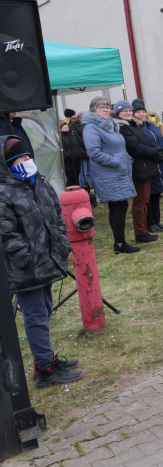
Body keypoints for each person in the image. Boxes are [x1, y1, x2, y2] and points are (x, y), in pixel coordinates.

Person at [0, 136, 83, 387]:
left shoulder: (38, 183)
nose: (26, 162)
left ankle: (44, 360)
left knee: (45, 309)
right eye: (19, 159)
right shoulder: (4, 192)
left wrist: (61, 243)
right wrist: (25, 255)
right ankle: (46, 370)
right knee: (35, 315)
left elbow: (56, 216)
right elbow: (6, 232)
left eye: (27, 157)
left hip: (46, 260)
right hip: (25, 267)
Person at [81, 96, 139, 254]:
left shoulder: (110, 126)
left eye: (107, 107)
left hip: (118, 172)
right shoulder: (91, 127)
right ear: (94, 110)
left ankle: (119, 243)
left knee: (118, 206)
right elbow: (93, 152)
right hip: (108, 173)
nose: (106, 110)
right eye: (102, 108)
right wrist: (115, 161)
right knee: (119, 206)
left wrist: (126, 160)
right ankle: (120, 243)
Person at [117, 100, 163, 245]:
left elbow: (147, 141)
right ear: (118, 113)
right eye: (124, 111)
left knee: (145, 200)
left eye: (129, 111)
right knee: (140, 202)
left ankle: (144, 230)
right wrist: (154, 153)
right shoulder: (123, 128)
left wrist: (157, 151)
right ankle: (141, 232)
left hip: (146, 166)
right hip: (138, 168)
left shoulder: (134, 125)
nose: (128, 113)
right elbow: (136, 147)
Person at [137, 100, 163, 233]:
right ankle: (149, 222)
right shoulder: (136, 128)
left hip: (159, 163)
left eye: (142, 111)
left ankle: (156, 221)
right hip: (149, 163)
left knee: (157, 194)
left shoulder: (152, 125)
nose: (141, 114)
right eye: (138, 112)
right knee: (149, 196)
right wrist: (156, 155)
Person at [60, 108, 86, 188]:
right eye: (65, 128)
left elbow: (77, 143)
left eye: (67, 127)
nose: (67, 129)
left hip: (76, 157)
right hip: (68, 159)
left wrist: (79, 153)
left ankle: (78, 188)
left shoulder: (72, 133)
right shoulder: (61, 137)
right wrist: (67, 155)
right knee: (70, 176)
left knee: (77, 174)